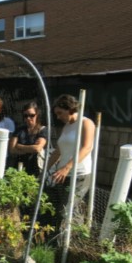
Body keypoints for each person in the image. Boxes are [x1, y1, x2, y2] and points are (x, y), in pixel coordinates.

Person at [45, 95, 95, 223]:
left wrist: (67, 167)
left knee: (69, 210)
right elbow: (58, 152)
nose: (58, 117)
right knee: (68, 209)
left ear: (70, 109)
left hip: (79, 174)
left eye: (60, 113)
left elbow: (87, 147)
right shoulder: (67, 126)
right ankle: (69, 239)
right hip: (63, 174)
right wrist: (45, 169)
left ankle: (69, 240)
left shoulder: (86, 123)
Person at [10, 102, 47, 175]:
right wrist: (30, 149)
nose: (28, 118)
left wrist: (19, 146)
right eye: (25, 115)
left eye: (32, 115)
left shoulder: (42, 130)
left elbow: (37, 148)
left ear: (37, 115)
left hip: (35, 166)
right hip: (19, 165)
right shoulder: (19, 129)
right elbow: (12, 150)